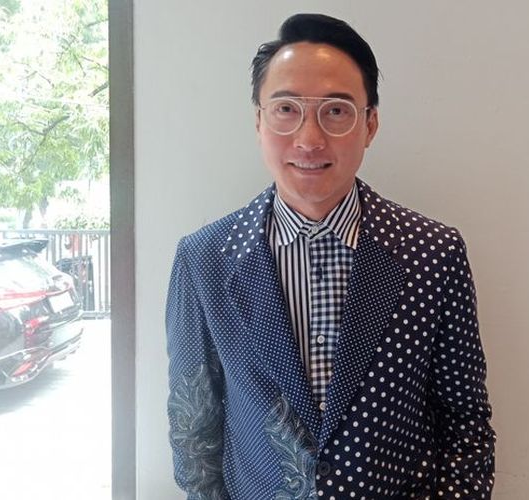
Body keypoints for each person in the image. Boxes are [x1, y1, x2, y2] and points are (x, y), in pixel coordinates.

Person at [166, 13, 495, 500]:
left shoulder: (433, 253)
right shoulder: (205, 259)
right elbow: (194, 430)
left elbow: (465, 423)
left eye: (336, 111)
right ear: (258, 121)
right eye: (286, 109)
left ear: (370, 124)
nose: (309, 139)